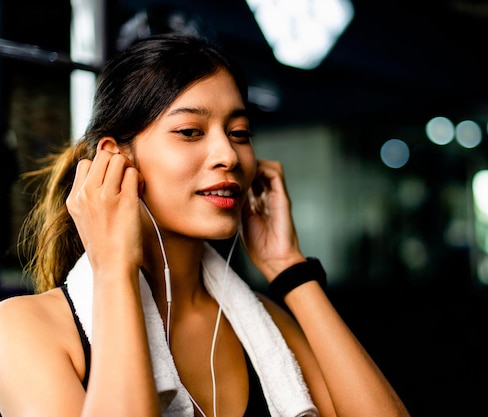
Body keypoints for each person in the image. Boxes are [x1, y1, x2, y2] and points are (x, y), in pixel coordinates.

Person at [0, 33, 410, 417]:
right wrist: (113, 270)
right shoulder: (23, 331)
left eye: (239, 132)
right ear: (115, 158)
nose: (228, 155)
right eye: (190, 131)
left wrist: (288, 266)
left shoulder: (267, 326)